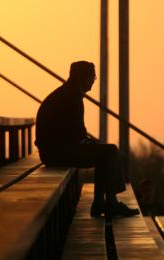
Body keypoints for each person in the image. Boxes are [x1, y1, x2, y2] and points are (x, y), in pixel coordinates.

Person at [35, 61, 139, 217]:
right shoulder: (72, 97)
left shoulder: (67, 93)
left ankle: (101, 203)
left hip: (53, 150)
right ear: (83, 78)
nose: (94, 79)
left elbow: (76, 135)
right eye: (92, 76)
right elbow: (77, 137)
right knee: (110, 151)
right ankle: (111, 203)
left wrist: (93, 144)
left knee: (104, 152)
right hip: (57, 153)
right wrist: (94, 145)